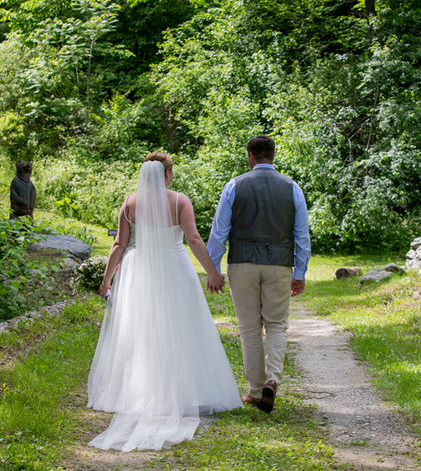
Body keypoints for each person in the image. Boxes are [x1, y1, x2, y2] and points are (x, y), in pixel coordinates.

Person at [88, 152, 241, 451]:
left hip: (138, 271)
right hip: (174, 268)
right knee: (182, 329)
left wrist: (106, 280)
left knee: (139, 332)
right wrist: (213, 273)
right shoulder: (180, 201)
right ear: (167, 174)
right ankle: (184, 392)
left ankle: (137, 392)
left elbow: (119, 244)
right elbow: (193, 239)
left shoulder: (130, 203)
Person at [207, 135, 311, 413]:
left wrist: (213, 268)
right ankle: (272, 380)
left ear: (250, 156)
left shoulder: (234, 186)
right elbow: (301, 235)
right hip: (279, 265)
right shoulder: (292, 188)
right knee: (276, 324)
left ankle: (255, 391)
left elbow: (219, 231)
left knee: (249, 328)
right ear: (273, 155)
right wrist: (300, 272)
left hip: (242, 264)